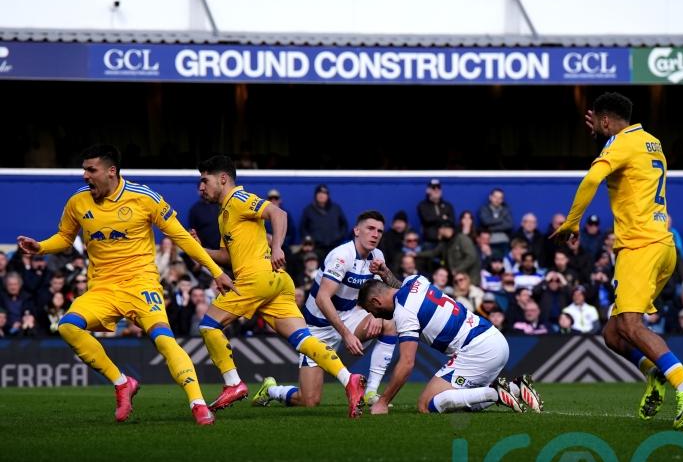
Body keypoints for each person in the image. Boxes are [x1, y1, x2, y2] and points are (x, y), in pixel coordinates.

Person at [15, 144, 236, 425]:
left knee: (164, 340)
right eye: (83, 169)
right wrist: (41, 247)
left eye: (91, 170)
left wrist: (216, 272)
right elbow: (65, 237)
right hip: (103, 289)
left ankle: (198, 403)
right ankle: (122, 383)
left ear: (111, 171)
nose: (85, 176)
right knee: (68, 326)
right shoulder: (78, 202)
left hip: (141, 284)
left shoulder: (144, 198)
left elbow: (182, 238)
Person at [551, 92, 683, 429]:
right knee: (614, 332)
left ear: (606, 120)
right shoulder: (651, 141)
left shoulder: (620, 144)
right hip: (662, 245)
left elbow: (593, 178)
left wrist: (572, 221)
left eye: (601, 122)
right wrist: (607, 140)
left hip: (640, 246)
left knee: (632, 325)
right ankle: (655, 373)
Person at [193, 156, 367, 418]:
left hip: (255, 279)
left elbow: (278, 213)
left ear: (223, 179)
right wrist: (198, 250)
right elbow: (228, 257)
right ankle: (349, 379)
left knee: (208, 326)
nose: (201, 188)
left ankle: (233, 383)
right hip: (277, 282)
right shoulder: (224, 214)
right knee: (305, 340)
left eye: (204, 180)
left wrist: (277, 247)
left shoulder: (239, 200)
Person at [253, 210, 399, 408]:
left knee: (389, 323)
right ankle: (271, 389)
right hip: (318, 327)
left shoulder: (377, 256)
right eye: (370, 228)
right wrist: (346, 334)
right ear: (356, 230)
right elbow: (323, 299)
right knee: (309, 400)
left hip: (350, 316)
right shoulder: (341, 256)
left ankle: (371, 392)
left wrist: (383, 286)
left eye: (380, 231)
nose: (375, 234)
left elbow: (395, 291)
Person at [357, 275, 543, 415]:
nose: (374, 315)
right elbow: (399, 289)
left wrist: (383, 401)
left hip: (477, 349)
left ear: (376, 301)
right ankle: (514, 389)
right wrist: (386, 273)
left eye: (370, 310)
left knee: (426, 404)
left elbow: (407, 363)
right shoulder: (415, 280)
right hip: (495, 338)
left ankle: (495, 392)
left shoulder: (403, 314)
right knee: (462, 403)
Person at [299, 184, 349, 255]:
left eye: (324, 193)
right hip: (316, 248)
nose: (321, 195)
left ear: (328, 196)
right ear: (315, 195)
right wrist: (310, 240)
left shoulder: (336, 208)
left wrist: (338, 237)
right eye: (319, 193)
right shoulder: (308, 210)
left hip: (334, 247)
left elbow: (344, 225)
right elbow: (303, 228)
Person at [417, 178, 455, 249]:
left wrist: (437, 219)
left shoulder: (448, 205)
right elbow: (427, 220)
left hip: (446, 241)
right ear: (428, 190)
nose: (436, 190)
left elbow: (452, 221)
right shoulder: (422, 205)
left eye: (439, 187)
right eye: (433, 187)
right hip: (430, 242)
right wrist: (443, 217)